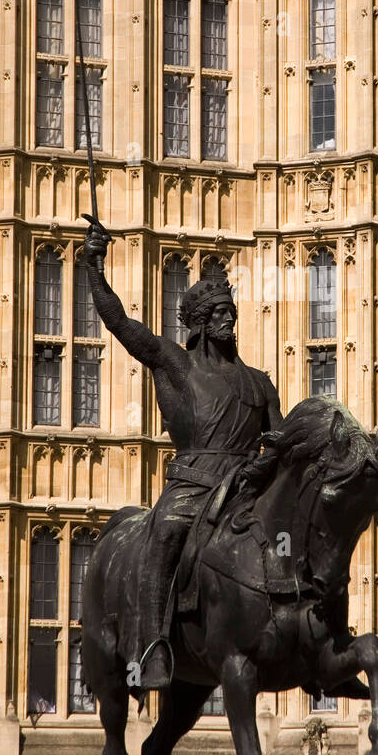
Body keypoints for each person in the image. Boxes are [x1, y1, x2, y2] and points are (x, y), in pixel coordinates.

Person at [83, 217, 284, 688]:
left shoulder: (259, 382)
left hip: (243, 491)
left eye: (230, 311)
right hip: (193, 486)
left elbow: (276, 443)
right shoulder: (176, 363)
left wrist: (268, 466)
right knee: (166, 533)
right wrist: (94, 266)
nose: (228, 319)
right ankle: (152, 646)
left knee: (288, 536)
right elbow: (118, 323)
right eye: (218, 313)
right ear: (197, 322)